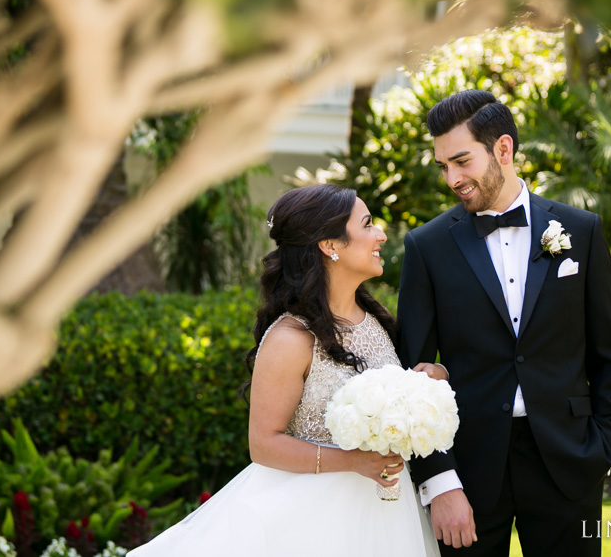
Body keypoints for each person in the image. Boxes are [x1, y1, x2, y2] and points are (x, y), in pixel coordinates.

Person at [130, 184, 441, 556]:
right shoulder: (291, 338)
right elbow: (263, 443)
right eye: (367, 224)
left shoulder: (373, 319)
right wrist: (353, 461)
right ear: (330, 245)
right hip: (312, 520)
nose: (381, 234)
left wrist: (426, 385)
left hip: (385, 512)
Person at [397, 90, 611, 557]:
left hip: (569, 461)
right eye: (443, 166)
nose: (452, 179)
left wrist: (604, 449)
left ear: (503, 149)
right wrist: (439, 482)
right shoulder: (427, 247)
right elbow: (413, 376)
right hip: (468, 471)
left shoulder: (581, 231)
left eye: (462, 161)